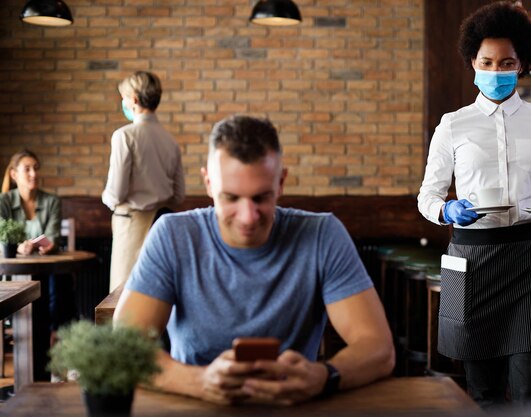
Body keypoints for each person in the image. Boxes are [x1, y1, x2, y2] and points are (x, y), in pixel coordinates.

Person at [113, 115, 394, 405]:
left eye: (261, 198)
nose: (248, 217)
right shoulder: (173, 235)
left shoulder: (322, 235)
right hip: (195, 405)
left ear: (281, 182)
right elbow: (123, 349)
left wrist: (325, 376)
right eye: (231, 198)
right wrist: (199, 381)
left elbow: (378, 347)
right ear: (209, 184)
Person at [417, 2, 531, 409]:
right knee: (482, 394)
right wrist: (446, 211)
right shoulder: (452, 124)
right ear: (472, 61)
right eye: (486, 61)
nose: (495, 70)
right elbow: (428, 197)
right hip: (468, 259)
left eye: (506, 62)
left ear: (521, 64)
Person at [102, 71, 185, 292]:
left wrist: (107, 198)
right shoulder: (170, 141)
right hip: (163, 225)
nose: (123, 102)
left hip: (131, 224)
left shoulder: (124, 136)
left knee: (123, 299)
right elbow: (179, 195)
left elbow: (116, 193)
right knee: (159, 294)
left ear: (134, 100)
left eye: (124, 97)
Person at [0, 149, 76, 380]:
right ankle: (58, 353)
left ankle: (52, 354)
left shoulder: (51, 201)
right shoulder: (3, 202)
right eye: (27, 169)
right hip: (14, 275)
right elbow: (3, 237)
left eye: (36, 168)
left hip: (46, 270)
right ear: (14, 174)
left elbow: (53, 236)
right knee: (53, 288)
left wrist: (46, 246)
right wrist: (18, 246)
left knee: (58, 281)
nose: (34, 174)